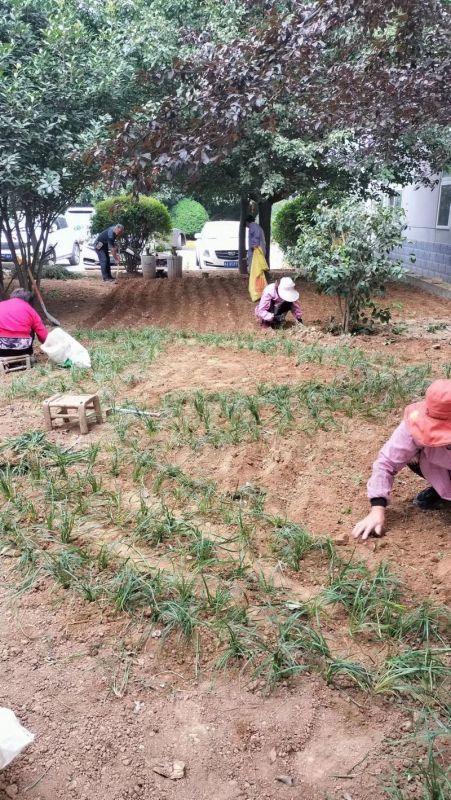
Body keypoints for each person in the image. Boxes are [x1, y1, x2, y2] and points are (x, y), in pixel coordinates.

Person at [353, 379, 451, 541]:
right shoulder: (414, 426)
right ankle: (442, 490)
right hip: (438, 465)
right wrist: (377, 509)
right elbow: (387, 463)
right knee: (411, 456)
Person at [0, 289, 48, 357]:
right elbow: (43, 334)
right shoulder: (29, 309)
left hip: (1, 349)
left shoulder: (1, 304)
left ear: (11, 297)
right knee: (32, 326)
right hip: (22, 349)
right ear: (27, 300)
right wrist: (49, 346)